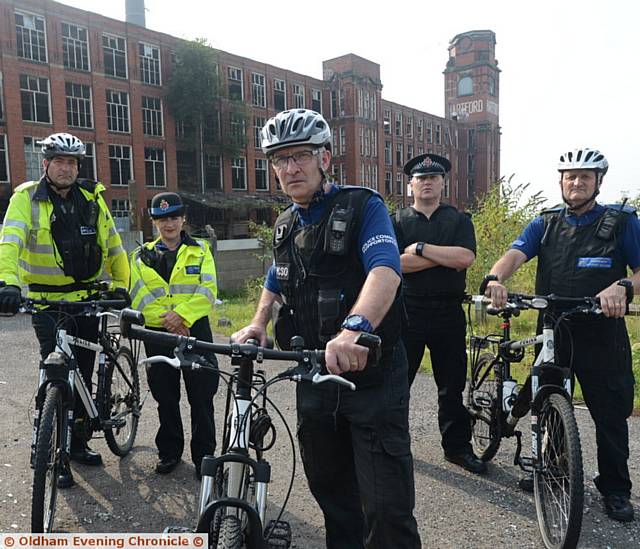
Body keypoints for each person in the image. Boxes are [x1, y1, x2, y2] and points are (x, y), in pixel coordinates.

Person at [232, 109, 421, 549]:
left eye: (300, 155)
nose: (290, 168)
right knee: (332, 493)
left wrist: (354, 328)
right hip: (313, 375)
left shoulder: (363, 206)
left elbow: (385, 271)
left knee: (386, 504)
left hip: (371, 375)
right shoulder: (284, 224)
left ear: (326, 159)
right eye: (280, 159)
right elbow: (275, 279)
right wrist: (259, 321)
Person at [484, 148, 640, 523]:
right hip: (554, 328)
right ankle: (551, 468)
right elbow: (515, 254)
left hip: (602, 331)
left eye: (585, 176)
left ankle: (615, 488)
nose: (576, 182)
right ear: (561, 181)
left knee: (611, 412)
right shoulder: (546, 222)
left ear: (598, 182)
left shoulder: (621, 222)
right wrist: (495, 279)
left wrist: (624, 286)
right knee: (547, 402)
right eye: (570, 176)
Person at [0, 132, 130, 488]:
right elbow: (10, 241)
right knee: (56, 372)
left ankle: (77, 442)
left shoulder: (92, 197)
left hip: (88, 300)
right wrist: (7, 284)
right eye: (59, 161)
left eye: (72, 162)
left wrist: (122, 286)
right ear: (45, 165)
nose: (66, 168)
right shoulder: (27, 198)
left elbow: (114, 245)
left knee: (84, 374)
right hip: (46, 301)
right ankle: (53, 447)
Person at [392, 153, 485, 475]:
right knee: (397, 383)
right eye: (421, 178)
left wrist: (419, 249)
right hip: (408, 312)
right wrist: (443, 256)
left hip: (448, 313)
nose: (427, 182)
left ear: (443, 183)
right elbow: (395, 263)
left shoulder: (459, 220)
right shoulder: (397, 221)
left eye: (433, 177)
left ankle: (457, 448)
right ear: (411, 185)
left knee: (452, 386)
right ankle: (395, 446)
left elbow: (465, 258)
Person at [129, 192, 219, 478]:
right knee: (165, 396)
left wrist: (182, 316)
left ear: (183, 219)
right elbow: (139, 298)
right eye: (162, 219)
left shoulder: (202, 250)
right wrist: (169, 321)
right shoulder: (140, 255)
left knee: (201, 396)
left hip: (195, 330)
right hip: (158, 334)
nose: (169, 224)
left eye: (174, 217)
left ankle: (204, 457)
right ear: (154, 222)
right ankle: (169, 452)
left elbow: (207, 291)